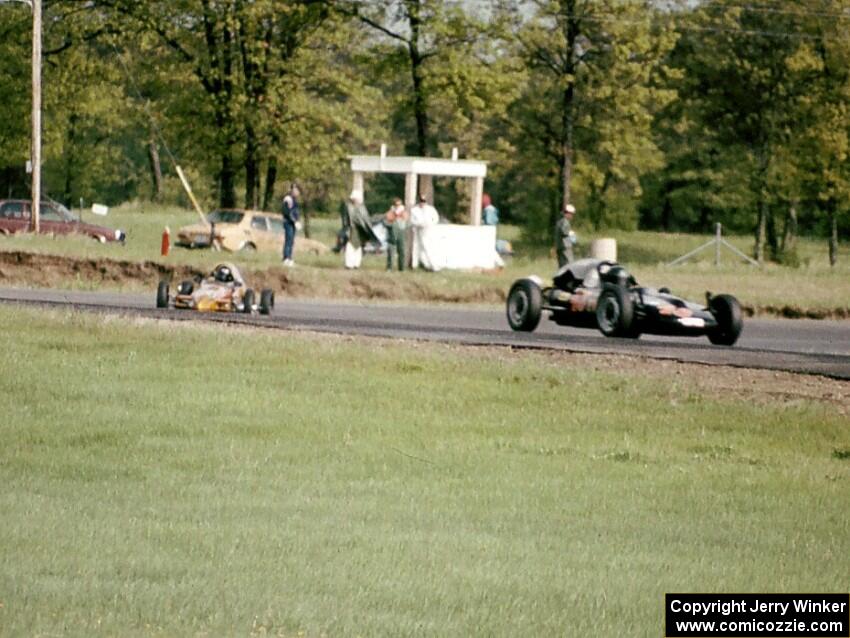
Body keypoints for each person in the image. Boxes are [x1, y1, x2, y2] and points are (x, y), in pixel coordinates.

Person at [340, 190, 377, 269]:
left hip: (361, 229)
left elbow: (366, 219)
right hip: (352, 228)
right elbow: (346, 219)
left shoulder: (362, 208)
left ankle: (356, 264)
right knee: (350, 245)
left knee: (358, 246)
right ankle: (349, 264)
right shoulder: (348, 206)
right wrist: (346, 228)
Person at [409, 194, 439, 269]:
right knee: (416, 246)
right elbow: (412, 220)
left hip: (428, 229)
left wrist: (430, 224)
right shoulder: (414, 210)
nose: (422, 203)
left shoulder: (430, 209)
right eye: (421, 201)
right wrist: (418, 224)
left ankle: (432, 265)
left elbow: (435, 219)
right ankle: (414, 265)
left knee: (427, 246)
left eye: (423, 201)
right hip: (418, 230)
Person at [384, 197, 408, 271]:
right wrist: (395, 214)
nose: (398, 206)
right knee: (391, 252)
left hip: (401, 234)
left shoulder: (404, 212)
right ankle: (389, 268)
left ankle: (402, 268)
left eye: (399, 204)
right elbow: (387, 219)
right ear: (394, 205)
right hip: (392, 234)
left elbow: (406, 219)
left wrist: (399, 214)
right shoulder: (390, 212)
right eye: (396, 205)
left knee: (402, 251)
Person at [281, 183, 300, 267]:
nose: (297, 192)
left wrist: (297, 220)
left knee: (291, 241)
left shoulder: (295, 200)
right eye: (296, 190)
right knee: (288, 240)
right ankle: (286, 258)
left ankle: (290, 257)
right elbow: (287, 211)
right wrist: (294, 221)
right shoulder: (288, 199)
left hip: (293, 223)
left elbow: (296, 212)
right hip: (288, 222)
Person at [555, 203, 578, 268]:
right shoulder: (565, 222)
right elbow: (565, 233)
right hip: (565, 247)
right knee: (569, 265)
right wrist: (572, 235)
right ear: (568, 213)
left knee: (561, 266)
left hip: (559, 247)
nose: (572, 216)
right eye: (572, 214)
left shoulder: (559, 221)